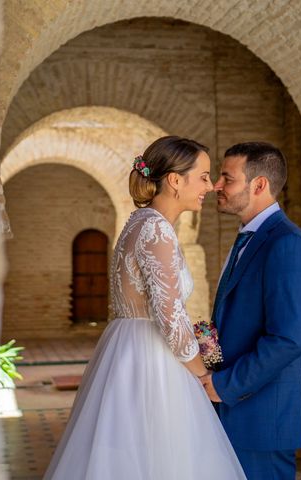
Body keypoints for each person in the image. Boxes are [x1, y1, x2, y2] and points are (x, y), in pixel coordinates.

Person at [44, 136, 246, 479]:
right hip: (151, 358)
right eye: (203, 176)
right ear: (175, 180)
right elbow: (169, 316)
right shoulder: (155, 229)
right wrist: (201, 373)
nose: (210, 187)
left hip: (128, 347)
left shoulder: (141, 223)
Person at [201, 142, 301, 479]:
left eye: (227, 178)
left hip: (266, 411)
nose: (217, 187)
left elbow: (288, 339)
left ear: (259, 185)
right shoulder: (247, 237)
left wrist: (225, 385)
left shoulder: (287, 244)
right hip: (239, 406)